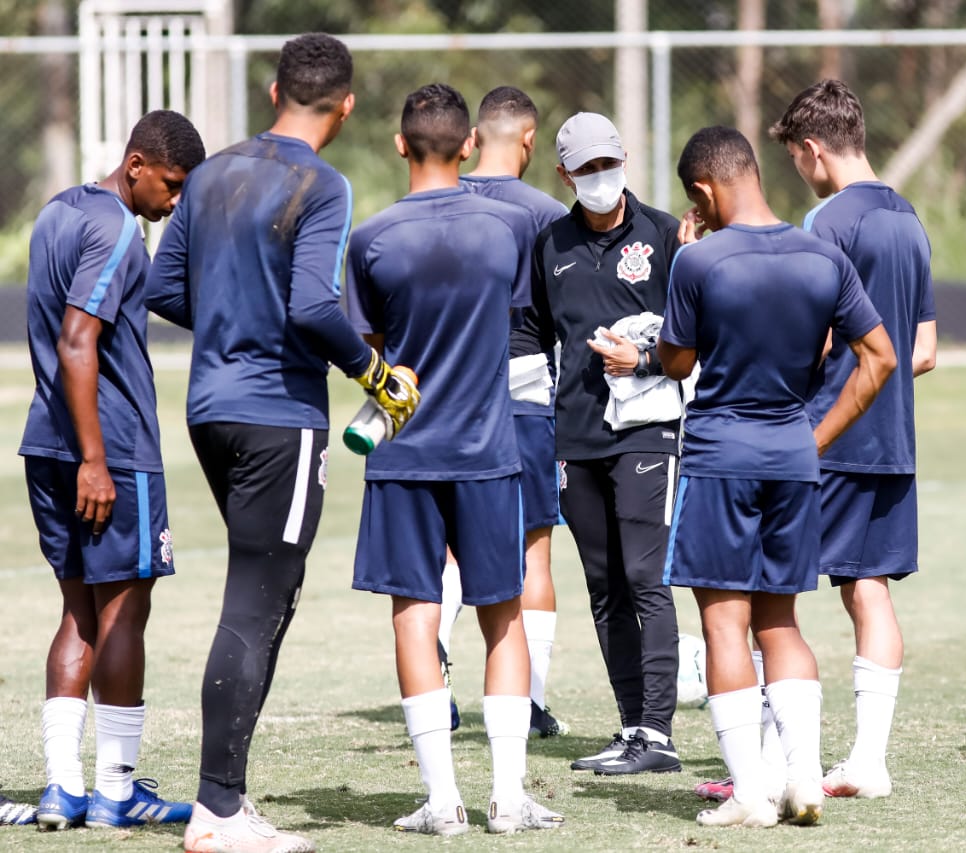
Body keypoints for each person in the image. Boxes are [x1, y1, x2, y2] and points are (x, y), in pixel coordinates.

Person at [145, 34, 420, 852]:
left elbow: (165, 286)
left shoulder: (215, 171)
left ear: (273, 94)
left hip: (209, 411)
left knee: (263, 600)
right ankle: (218, 810)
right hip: (277, 416)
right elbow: (311, 307)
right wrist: (376, 376)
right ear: (346, 106)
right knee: (256, 604)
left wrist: (233, 321)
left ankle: (226, 800)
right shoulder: (324, 184)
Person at [659, 126, 896, 827]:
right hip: (794, 457)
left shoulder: (698, 261)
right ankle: (804, 778)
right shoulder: (823, 255)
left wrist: (685, 259)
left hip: (720, 455)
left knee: (724, 623)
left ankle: (750, 794)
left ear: (702, 191)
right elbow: (879, 358)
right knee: (781, 620)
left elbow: (675, 361)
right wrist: (813, 438)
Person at [346, 83, 563, 836]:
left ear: (400, 145)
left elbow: (372, 352)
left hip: (403, 454)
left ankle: (442, 802)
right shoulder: (507, 230)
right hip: (487, 448)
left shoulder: (370, 238)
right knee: (501, 614)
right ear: (468, 144)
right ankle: (508, 798)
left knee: (416, 613)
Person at [20, 109, 204, 832]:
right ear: (136, 165)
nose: (175, 201)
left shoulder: (55, 211)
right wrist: (96, 460)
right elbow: (75, 341)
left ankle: (63, 790)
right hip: (111, 451)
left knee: (78, 612)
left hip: (46, 442)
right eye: (171, 183)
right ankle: (116, 790)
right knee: (125, 611)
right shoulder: (121, 229)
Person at [770, 78, 936, 800]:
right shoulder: (909, 218)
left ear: (812, 150)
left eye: (796, 160)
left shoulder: (825, 222)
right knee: (869, 589)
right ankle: (868, 761)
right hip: (892, 438)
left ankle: (779, 764)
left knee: (772, 593)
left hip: (827, 436)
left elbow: (813, 338)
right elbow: (923, 349)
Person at [528, 112, 683, 775]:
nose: (599, 178)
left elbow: (695, 333)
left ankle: (660, 732)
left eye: (607, 164)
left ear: (624, 158)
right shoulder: (550, 242)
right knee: (604, 585)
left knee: (647, 576)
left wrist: (641, 360)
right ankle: (631, 726)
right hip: (577, 436)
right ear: (564, 174)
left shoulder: (668, 235)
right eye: (585, 169)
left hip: (648, 428)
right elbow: (535, 333)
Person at [461, 85, 571, 739]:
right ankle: (526, 699)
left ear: (474, 137)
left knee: (448, 547)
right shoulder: (546, 214)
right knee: (534, 550)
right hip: (527, 387)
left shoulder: (440, 202)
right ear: (528, 139)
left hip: (450, 394)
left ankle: (435, 673)